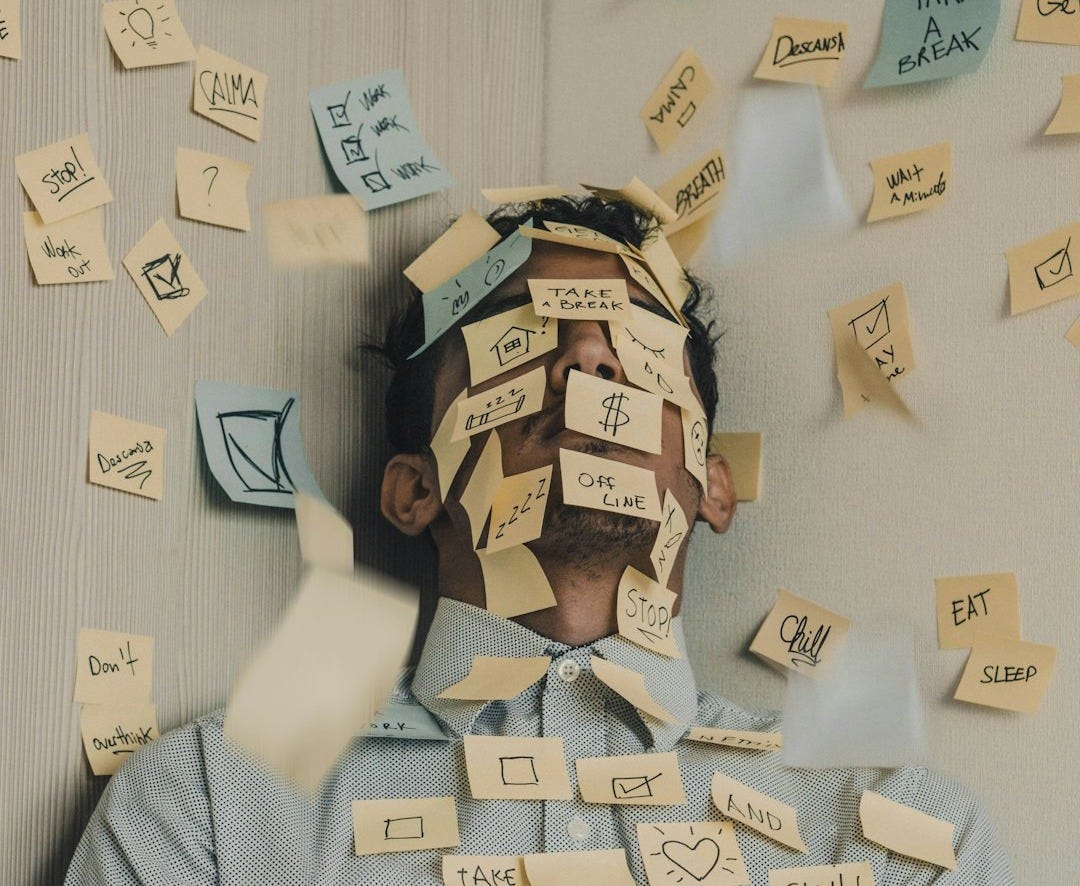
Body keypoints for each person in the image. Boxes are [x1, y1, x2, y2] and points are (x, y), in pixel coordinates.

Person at [66, 197, 1015, 885]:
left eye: (635, 342)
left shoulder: (894, 838)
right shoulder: (215, 809)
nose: (587, 357)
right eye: (518, 334)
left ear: (712, 482)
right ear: (412, 490)